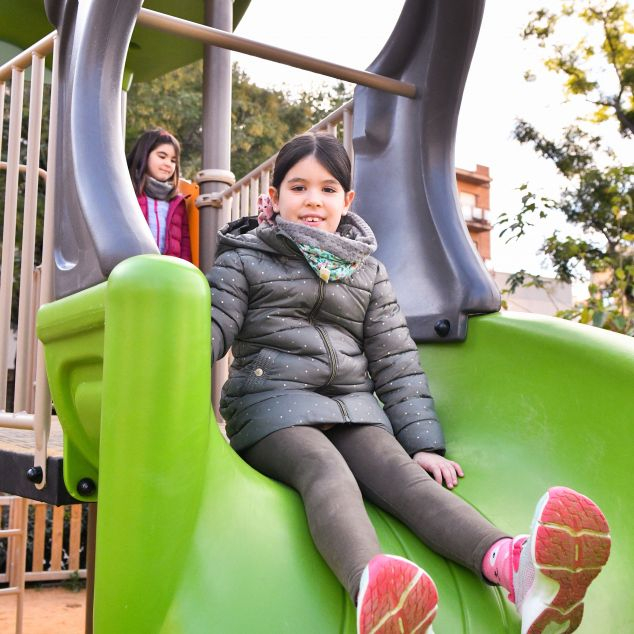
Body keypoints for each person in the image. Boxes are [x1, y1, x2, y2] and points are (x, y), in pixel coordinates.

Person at [208, 133, 610, 634]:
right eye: (299, 187)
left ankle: (518, 569)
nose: (314, 199)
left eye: (329, 189)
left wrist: (423, 443)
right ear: (274, 198)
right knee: (324, 468)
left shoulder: (368, 272)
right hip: (270, 409)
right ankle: (376, 594)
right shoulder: (242, 258)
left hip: (353, 410)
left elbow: (394, 359)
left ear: (347, 201)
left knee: (405, 477)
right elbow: (212, 328)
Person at [126, 128, 192, 262]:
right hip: (135, 267)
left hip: (168, 270)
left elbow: (184, 242)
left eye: (173, 160)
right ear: (144, 155)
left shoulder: (177, 202)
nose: (168, 164)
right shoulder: (129, 193)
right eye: (162, 156)